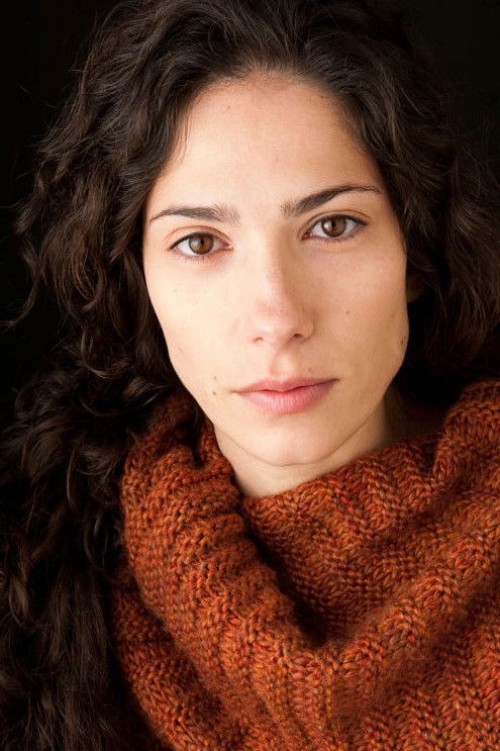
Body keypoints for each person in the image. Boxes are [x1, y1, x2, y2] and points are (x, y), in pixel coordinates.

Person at [1, 0, 498, 749]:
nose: (277, 315)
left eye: (332, 226)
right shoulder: (39, 595)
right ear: (138, 279)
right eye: (200, 242)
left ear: (416, 253)